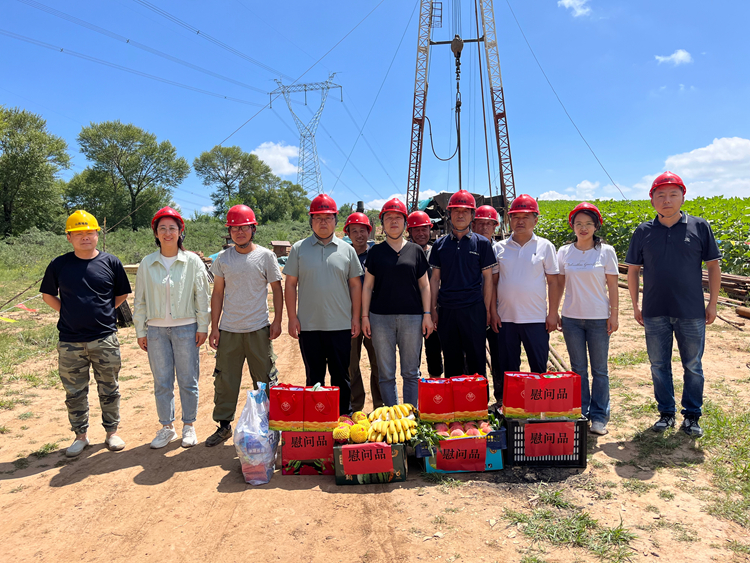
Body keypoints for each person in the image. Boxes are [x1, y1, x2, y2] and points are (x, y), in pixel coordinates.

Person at [626, 172, 721, 437]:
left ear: (682, 197)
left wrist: (712, 303)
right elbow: (633, 270)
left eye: (672, 194)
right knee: (658, 364)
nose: (666, 200)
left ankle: (692, 415)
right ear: (652, 199)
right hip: (654, 310)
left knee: (693, 365)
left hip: (691, 311)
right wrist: (635, 305)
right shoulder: (643, 231)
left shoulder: (699, 226)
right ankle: (666, 413)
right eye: (660, 195)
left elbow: (713, 267)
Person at [40, 210, 131, 457]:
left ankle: (112, 433)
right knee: (75, 392)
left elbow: (122, 293)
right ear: (69, 237)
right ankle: (80, 436)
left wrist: (105, 311)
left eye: (89, 232)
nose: (85, 237)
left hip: (104, 338)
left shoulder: (111, 262)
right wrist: (66, 311)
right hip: (70, 341)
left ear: (97, 235)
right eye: (78, 233)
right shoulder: (59, 264)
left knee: (109, 388)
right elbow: (48, 295)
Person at [206, 205, 283, 447]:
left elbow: (277, 289)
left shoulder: (266, 257)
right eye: (234, 228)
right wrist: (214, 327)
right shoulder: (223, 259)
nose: (240, 232)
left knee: (265, 380)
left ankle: (272, 426)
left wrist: (277, 320)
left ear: (253, 229)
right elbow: (218, 293)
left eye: (244, 227)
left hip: (259, 329)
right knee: (225, 380)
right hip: (229, 330)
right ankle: (223, 426)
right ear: (229, 231)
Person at [134, 207, 210, 449]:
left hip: (186, 328)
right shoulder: (147, 263)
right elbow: (140, 300)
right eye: (162, 228)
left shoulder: (192, 261)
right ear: (156, 233)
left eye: (172, 228)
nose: (168, 233)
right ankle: (167, 427)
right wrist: (141, 330)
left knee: (188, 380)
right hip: (156, 331)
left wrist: (203, 326)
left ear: (180, 231)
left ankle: (189, 425)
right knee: (162, 382)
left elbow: (202, 296)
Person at [284, 194, 363, 416]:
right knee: (314, 377)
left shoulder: (347, 250)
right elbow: (290, 284)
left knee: (341, 376)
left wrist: (355, 318)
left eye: (328, 217)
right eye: (318, 218)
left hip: (340, 325)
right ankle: (316, 420)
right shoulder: (299, 249)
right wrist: (292, 318)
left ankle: (344, 417)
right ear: (311, 221)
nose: (323, 222)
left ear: (336, 220)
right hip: (309, 326)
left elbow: (355, 285)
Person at [362, 198, 433, 406]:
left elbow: (425, 286)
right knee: (386, 373)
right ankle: (392, 415)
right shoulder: (375, 252)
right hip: (380, 319)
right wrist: (365, 316)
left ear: (405, 222)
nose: (393, 221)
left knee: (411, 372)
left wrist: (427, 315)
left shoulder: (416, 251)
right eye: (388, 218)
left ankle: (410, 415)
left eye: (398, 217)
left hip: (412, 318)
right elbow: (367, 287)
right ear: (382, 224)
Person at [556, 203, 619, 435]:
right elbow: (559, 284)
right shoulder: (564, 252)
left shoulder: (606, 252)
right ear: (572, 226)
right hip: (571, 318)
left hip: (599, 318)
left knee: (600, 370)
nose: (583, 228)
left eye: (588, 224)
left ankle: (600, 416)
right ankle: (581, 411)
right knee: (578, 369)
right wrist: (554, 311)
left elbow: (613, 285)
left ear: (596, 226)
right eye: (579, 224)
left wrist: (614, 314)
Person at [429, 190, 498, 378]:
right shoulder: (439, 245)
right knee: (452, 361)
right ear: (449, 214)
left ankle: (478, 397)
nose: (460, 215)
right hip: (447, 310)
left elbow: (488, 279)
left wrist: (486, 310)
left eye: (465, 211)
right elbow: (435, 279)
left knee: (476, 360)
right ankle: (455, 396)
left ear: (472, 215)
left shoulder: (482, 244)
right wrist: (433, 309)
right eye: (456, 210)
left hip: (473, 309)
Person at [494, 194, 560, 377]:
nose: (520, 221)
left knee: (538, 368)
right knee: (509, 371)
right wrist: (492, 312)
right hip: (506, 318)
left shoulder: (545, 246)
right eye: (515, 217)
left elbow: (553, 282)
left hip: (536, 318)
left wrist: (553, 314)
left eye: (525, 217)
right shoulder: (499, 248)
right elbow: (493, 283)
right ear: (509, 220)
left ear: (535, 220)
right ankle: (511, 398)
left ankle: (537, 397)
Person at [343, 212, 383, 411]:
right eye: (354, 231)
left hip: (373, 316)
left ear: (369, 232)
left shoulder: (377, 255)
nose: (359, 235)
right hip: (348, 316)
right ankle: (355, 407)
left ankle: (380, 407)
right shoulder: (343, 255)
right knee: (350, 364)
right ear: (348, 233)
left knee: (378, 363)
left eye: (363, 230)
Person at [472, 205, 504, 403]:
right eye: (480, 223)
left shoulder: (502, 249)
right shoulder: (468, 247)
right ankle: (478, 400)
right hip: (473, 311)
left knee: (499, 356)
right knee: (475, 357)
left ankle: (501, 398)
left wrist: (492, 311)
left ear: (495, 227)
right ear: (473, 225)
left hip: (499, 311)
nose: (484, 227)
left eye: (489, 224)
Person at [407, 210, 443, 378]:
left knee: (434, 350)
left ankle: (436, 385)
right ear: (409, 231)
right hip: (412, 311)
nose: (421, 233)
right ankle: (414, 386)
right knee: (411, 355)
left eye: (424, 229)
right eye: (416, 230)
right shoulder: (405, 253)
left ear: (430, 230)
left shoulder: (437, 252)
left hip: (434, 310)